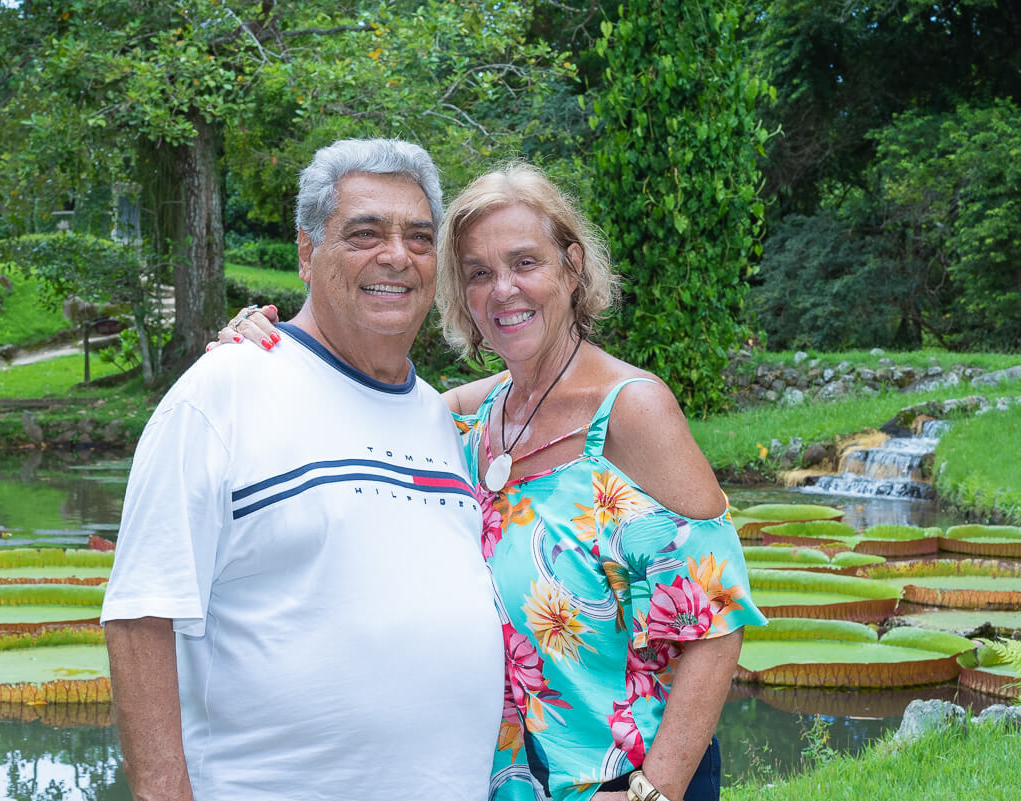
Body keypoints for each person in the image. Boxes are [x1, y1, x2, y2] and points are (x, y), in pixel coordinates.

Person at [221, 162, 766, 801]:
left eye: (525, 263)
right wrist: (270, 347)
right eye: (479, 273)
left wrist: (656, 791)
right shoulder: (460, 417)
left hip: (623, 782)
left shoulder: (631, 412)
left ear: (572, 266)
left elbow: (717, 617)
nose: (503, 289)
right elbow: (350, 399)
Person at [101, 138, 504, 801]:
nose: (397, 256)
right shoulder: (222, 392)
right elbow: (142, 614)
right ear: (307, 252)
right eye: (365, 233)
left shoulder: (440, 421)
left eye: (419, 238)